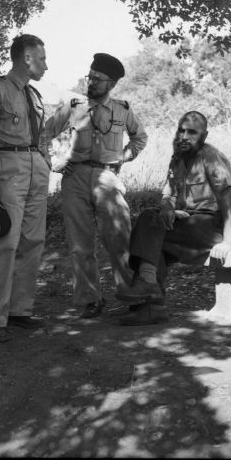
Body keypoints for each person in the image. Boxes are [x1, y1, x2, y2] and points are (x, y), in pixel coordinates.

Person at [44, 53, 148, 318]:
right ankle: (90, 300)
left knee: (119, 238)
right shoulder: (73, 105)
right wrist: (54, 160)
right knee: (80, 245)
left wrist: (122, 158)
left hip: (108, 178)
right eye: (90, 76)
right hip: (75, 178)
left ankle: (130, 294)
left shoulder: (122, 109)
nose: (90, 81)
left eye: (98, 79)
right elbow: (44, 133)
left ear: (111, 84)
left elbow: (140, 138)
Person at [115, 111, 231, 325]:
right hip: (188, 223)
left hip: (211, 226)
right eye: (181, 130)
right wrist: (167, 208)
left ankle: (147, 289)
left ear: (204, 135)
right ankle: (150, 307)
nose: (184, 136)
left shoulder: (211, 158)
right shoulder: (178, 159)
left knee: (150, 226)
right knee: (154, 231)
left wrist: (228, 242)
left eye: (192, 132)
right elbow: (168, 194)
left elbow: (229, 202)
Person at [0, 34, 51, 343]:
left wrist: (45, 162)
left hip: (35, 172)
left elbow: (41, 136)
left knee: (34, 241)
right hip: (9, 173)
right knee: (6, 243)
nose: (46, 65)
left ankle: (20, 311)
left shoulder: (34, 96)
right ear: (27, 58)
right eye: (42, 59)